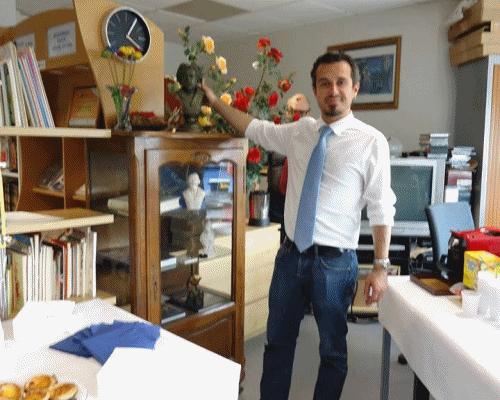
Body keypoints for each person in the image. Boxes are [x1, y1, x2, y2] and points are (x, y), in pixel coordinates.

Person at [201, 52, 395, 400]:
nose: (333, 90)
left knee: (332, 352)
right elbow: (253, 127)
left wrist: (380, 267)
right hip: (290, 258)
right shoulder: (300, 131)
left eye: (341, 82)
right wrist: (215, 101)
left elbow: (382, 207)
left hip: (335, 264)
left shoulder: (371, 141)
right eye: (324, 83)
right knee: (277, 344)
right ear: (315, 90)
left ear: (355, 89)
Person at [176, 62, 204, 131]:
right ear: (180, 79)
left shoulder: (203, 95)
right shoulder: (176, 96)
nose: (188, 79)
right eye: (185, 76)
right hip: (181, 130)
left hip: (199, 130)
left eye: (191, 76)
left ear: (197, 78)